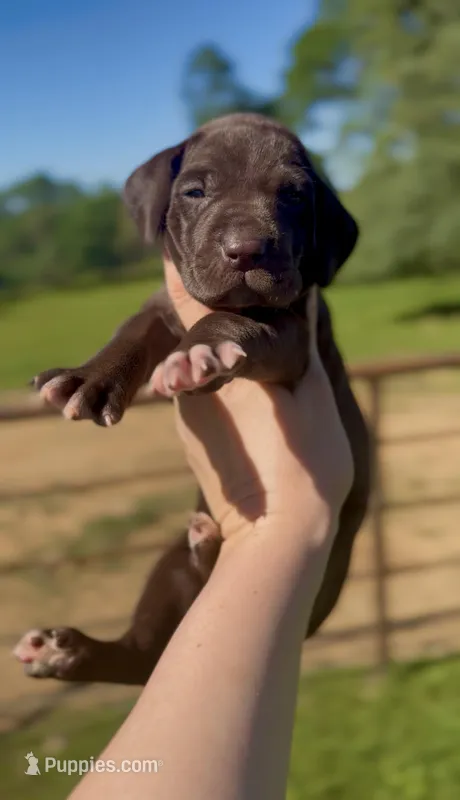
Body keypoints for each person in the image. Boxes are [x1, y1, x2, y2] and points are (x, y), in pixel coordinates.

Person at [70, 254, 353, 800]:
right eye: (197, 192)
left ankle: (130, 650)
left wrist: (278, 525)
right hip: (277, 513)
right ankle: (130, 652)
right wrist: (282, 525)